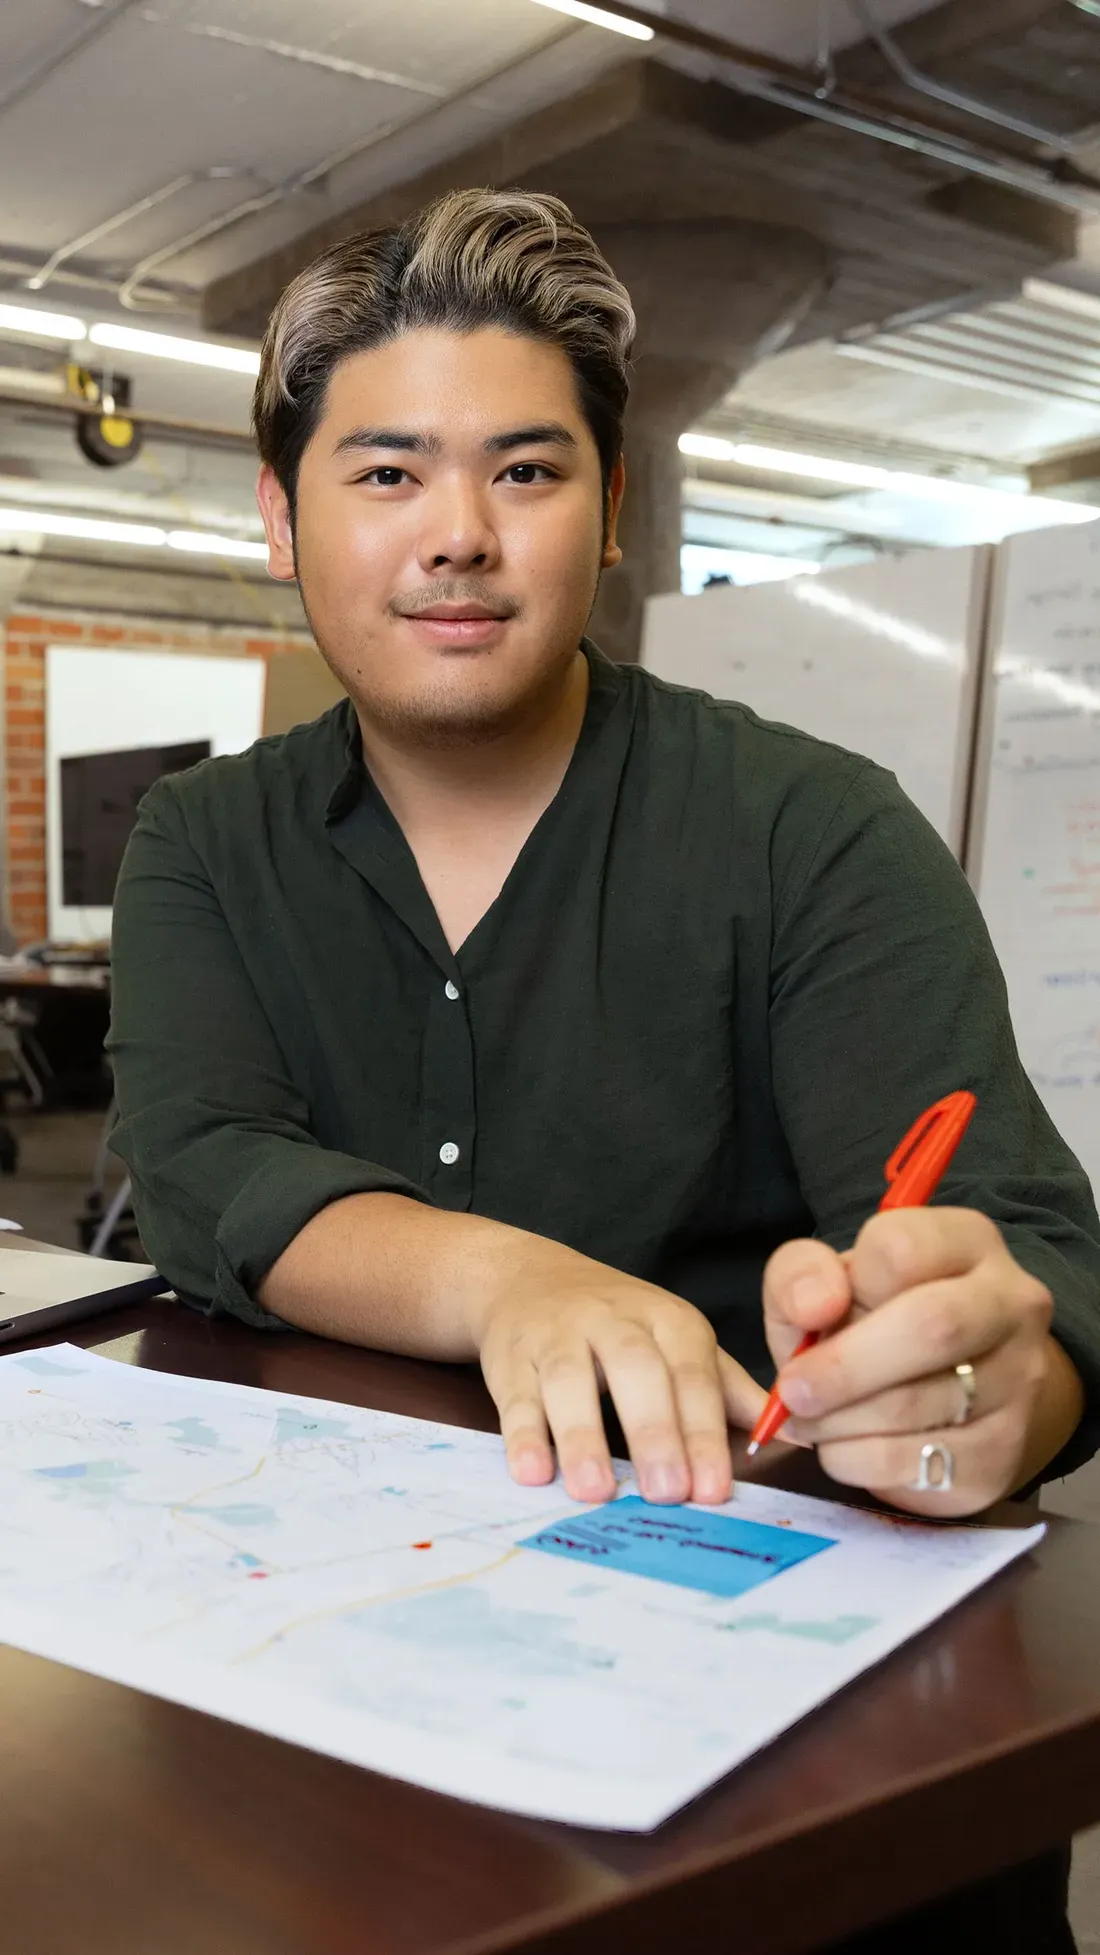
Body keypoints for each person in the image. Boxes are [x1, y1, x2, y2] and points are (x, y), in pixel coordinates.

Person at [109, 188, 1097, 1951]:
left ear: (612, 510)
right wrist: (505, 1279)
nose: (461, 537)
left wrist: (997, 1376)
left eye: (531, 472)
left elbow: (1035, 1253)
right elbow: (197, 1160)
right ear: (281, 515)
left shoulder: (813, 831)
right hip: (352, 1683)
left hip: (786, 1723)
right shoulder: (203, 840)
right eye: (388, 472)